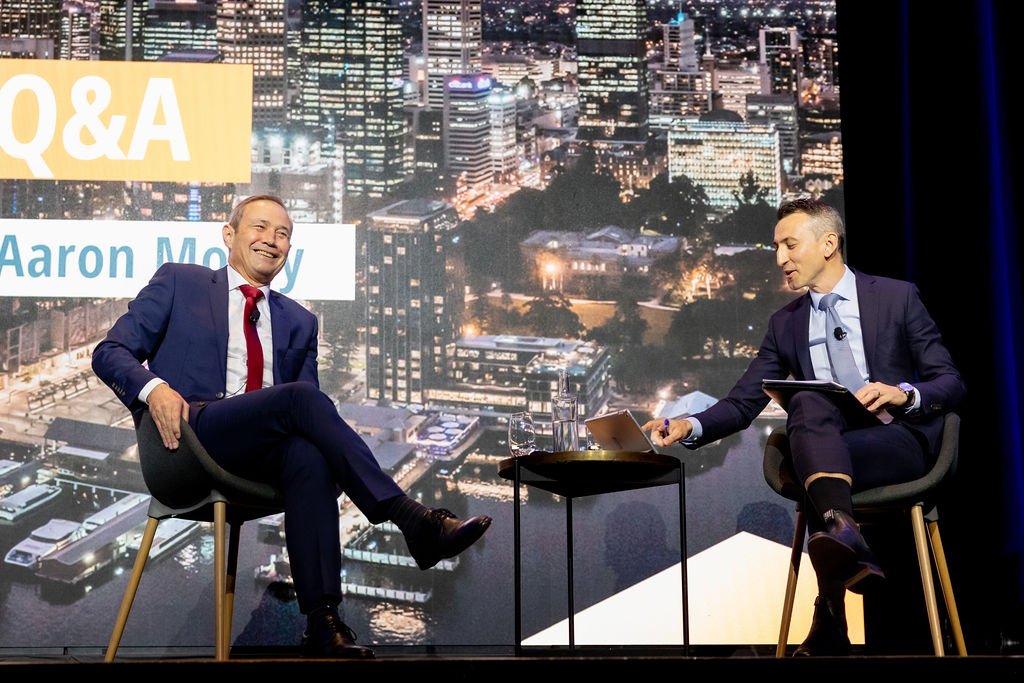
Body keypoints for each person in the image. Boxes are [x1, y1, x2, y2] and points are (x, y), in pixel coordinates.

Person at [92, 195, 492, 659]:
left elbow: (310, 421)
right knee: (302, 398)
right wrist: (154, 388)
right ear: (229, 234)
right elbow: (110, 351)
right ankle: (411, 519)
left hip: (256, 454)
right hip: (188, 437)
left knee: (308, 455)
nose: (272, 240)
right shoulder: (180, 281)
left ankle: (323, 622)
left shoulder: (300, 321)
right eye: (260, 228)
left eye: (283, 234)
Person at [642, 198, 964, 655]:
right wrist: (688, 424)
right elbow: (742, 403)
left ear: (829, 243)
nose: (780, 259)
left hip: (899, 443)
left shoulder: (896, 297)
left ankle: (830, 612)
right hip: (831, 448)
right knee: (807, 401)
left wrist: (903, 393)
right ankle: (841, 528)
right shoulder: (785, 324)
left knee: (812, 457)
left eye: (790, 245)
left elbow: (950, 381)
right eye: (776, 247)